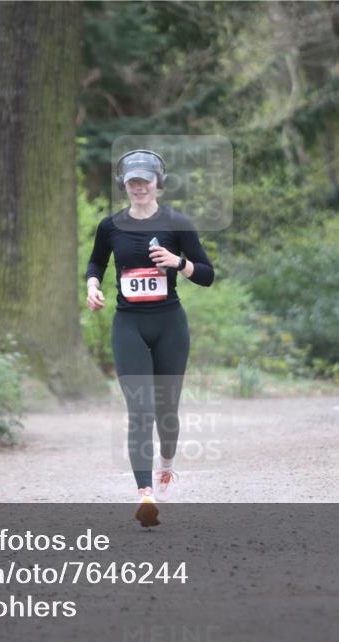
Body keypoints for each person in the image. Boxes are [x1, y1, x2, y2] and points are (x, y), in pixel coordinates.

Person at [85, 150, 215, 526]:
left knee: (166, 412)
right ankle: (145, 495)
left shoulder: (177, 223)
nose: (139, 187)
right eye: (132, 182)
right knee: (140, 411)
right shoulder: (111, 226)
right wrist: (92, 286)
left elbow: (207, 274)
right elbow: (96, 262)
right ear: (124, 186)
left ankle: (167, 465)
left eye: (145, 180)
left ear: (159, 182)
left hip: (170, 325)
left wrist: (179, 263)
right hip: (129, 325)